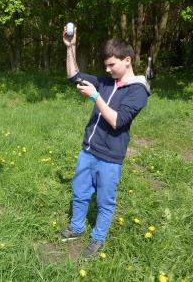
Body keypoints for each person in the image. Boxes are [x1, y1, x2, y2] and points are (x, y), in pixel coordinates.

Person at [59, 26, 150, 257]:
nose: (107, 70)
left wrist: (95, 96)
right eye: (105, 66)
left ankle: (97, 238)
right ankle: (77, 228)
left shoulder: (138, 91)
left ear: (127, 60)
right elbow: (73, 76)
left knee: (104, 202)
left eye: (112, 65)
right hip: (88, 150)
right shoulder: (107, 81)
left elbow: (117, 120)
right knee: (80, 193)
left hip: (110, 158)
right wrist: (70, 48)